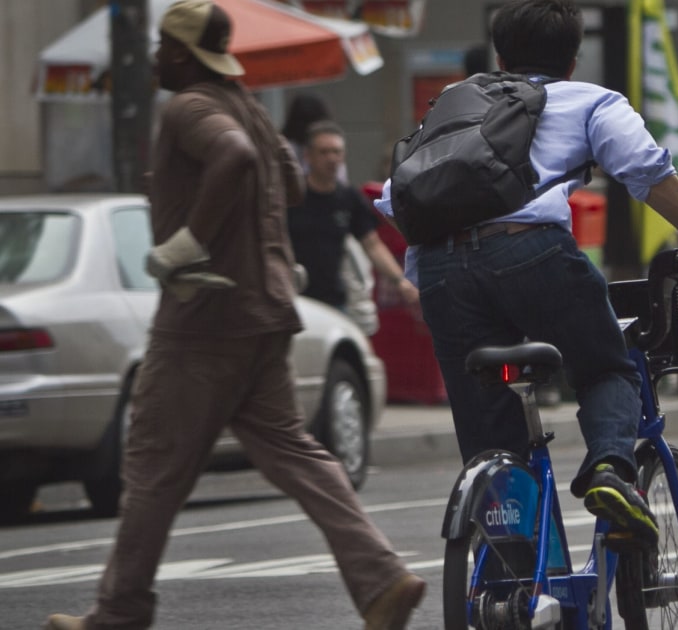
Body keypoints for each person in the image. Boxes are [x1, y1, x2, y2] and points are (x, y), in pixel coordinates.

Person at [43, 2, 425, 629]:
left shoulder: (192, 106)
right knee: (294, 451)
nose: (158, 56)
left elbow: (236, 159)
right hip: (264, 311)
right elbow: (288, 180)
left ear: (187, 54)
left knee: (152, 463)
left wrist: (191, 240)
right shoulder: (246, 104)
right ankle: (381, 578)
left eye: (167, 46)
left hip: (203, 318)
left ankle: (119, 611)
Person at [375, 0, 678, 543]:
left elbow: (392, 198)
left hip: (440, 271)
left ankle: (512, 581)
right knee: (607, 367)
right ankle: (611, 471)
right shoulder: (589, 99)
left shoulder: (454, 102)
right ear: (573, 59)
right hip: (531, 256)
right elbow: (646, 169)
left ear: (500, 54)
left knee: (489, 435)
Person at [288, 121, 418, 314]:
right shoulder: (292, 196)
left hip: (334, 302)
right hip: (296, 300)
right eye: (324, 152)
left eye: (336, 152)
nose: (331, 158)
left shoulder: (349, 198)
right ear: (308, 156)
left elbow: (372, 244)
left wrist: (400, 280)